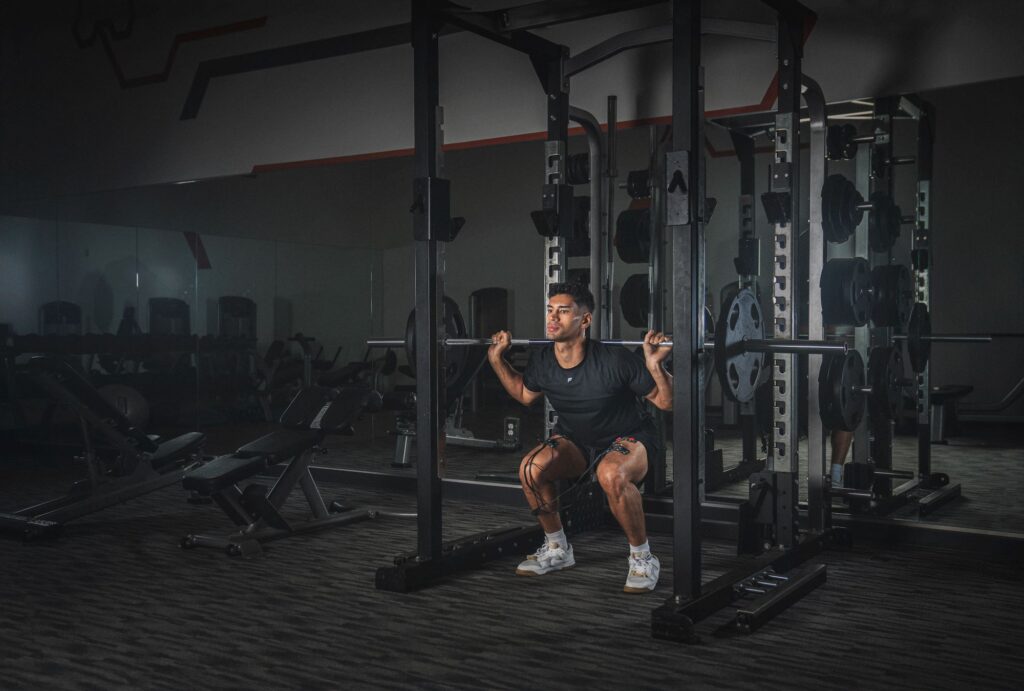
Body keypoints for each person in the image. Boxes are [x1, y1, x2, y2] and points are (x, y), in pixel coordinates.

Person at [487, 282, 672, 593]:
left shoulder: (614, 359)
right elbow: (523, 393)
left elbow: (666, 402)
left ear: (585, 320)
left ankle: (643, 557)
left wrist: (654, 365)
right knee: (531, 467)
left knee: (610, 473)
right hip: (578, 440)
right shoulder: (544, 360)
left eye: (563, 311)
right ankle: (558, 549)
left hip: (630, 438)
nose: (552, 318)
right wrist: (496, 360)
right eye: (550, 310)